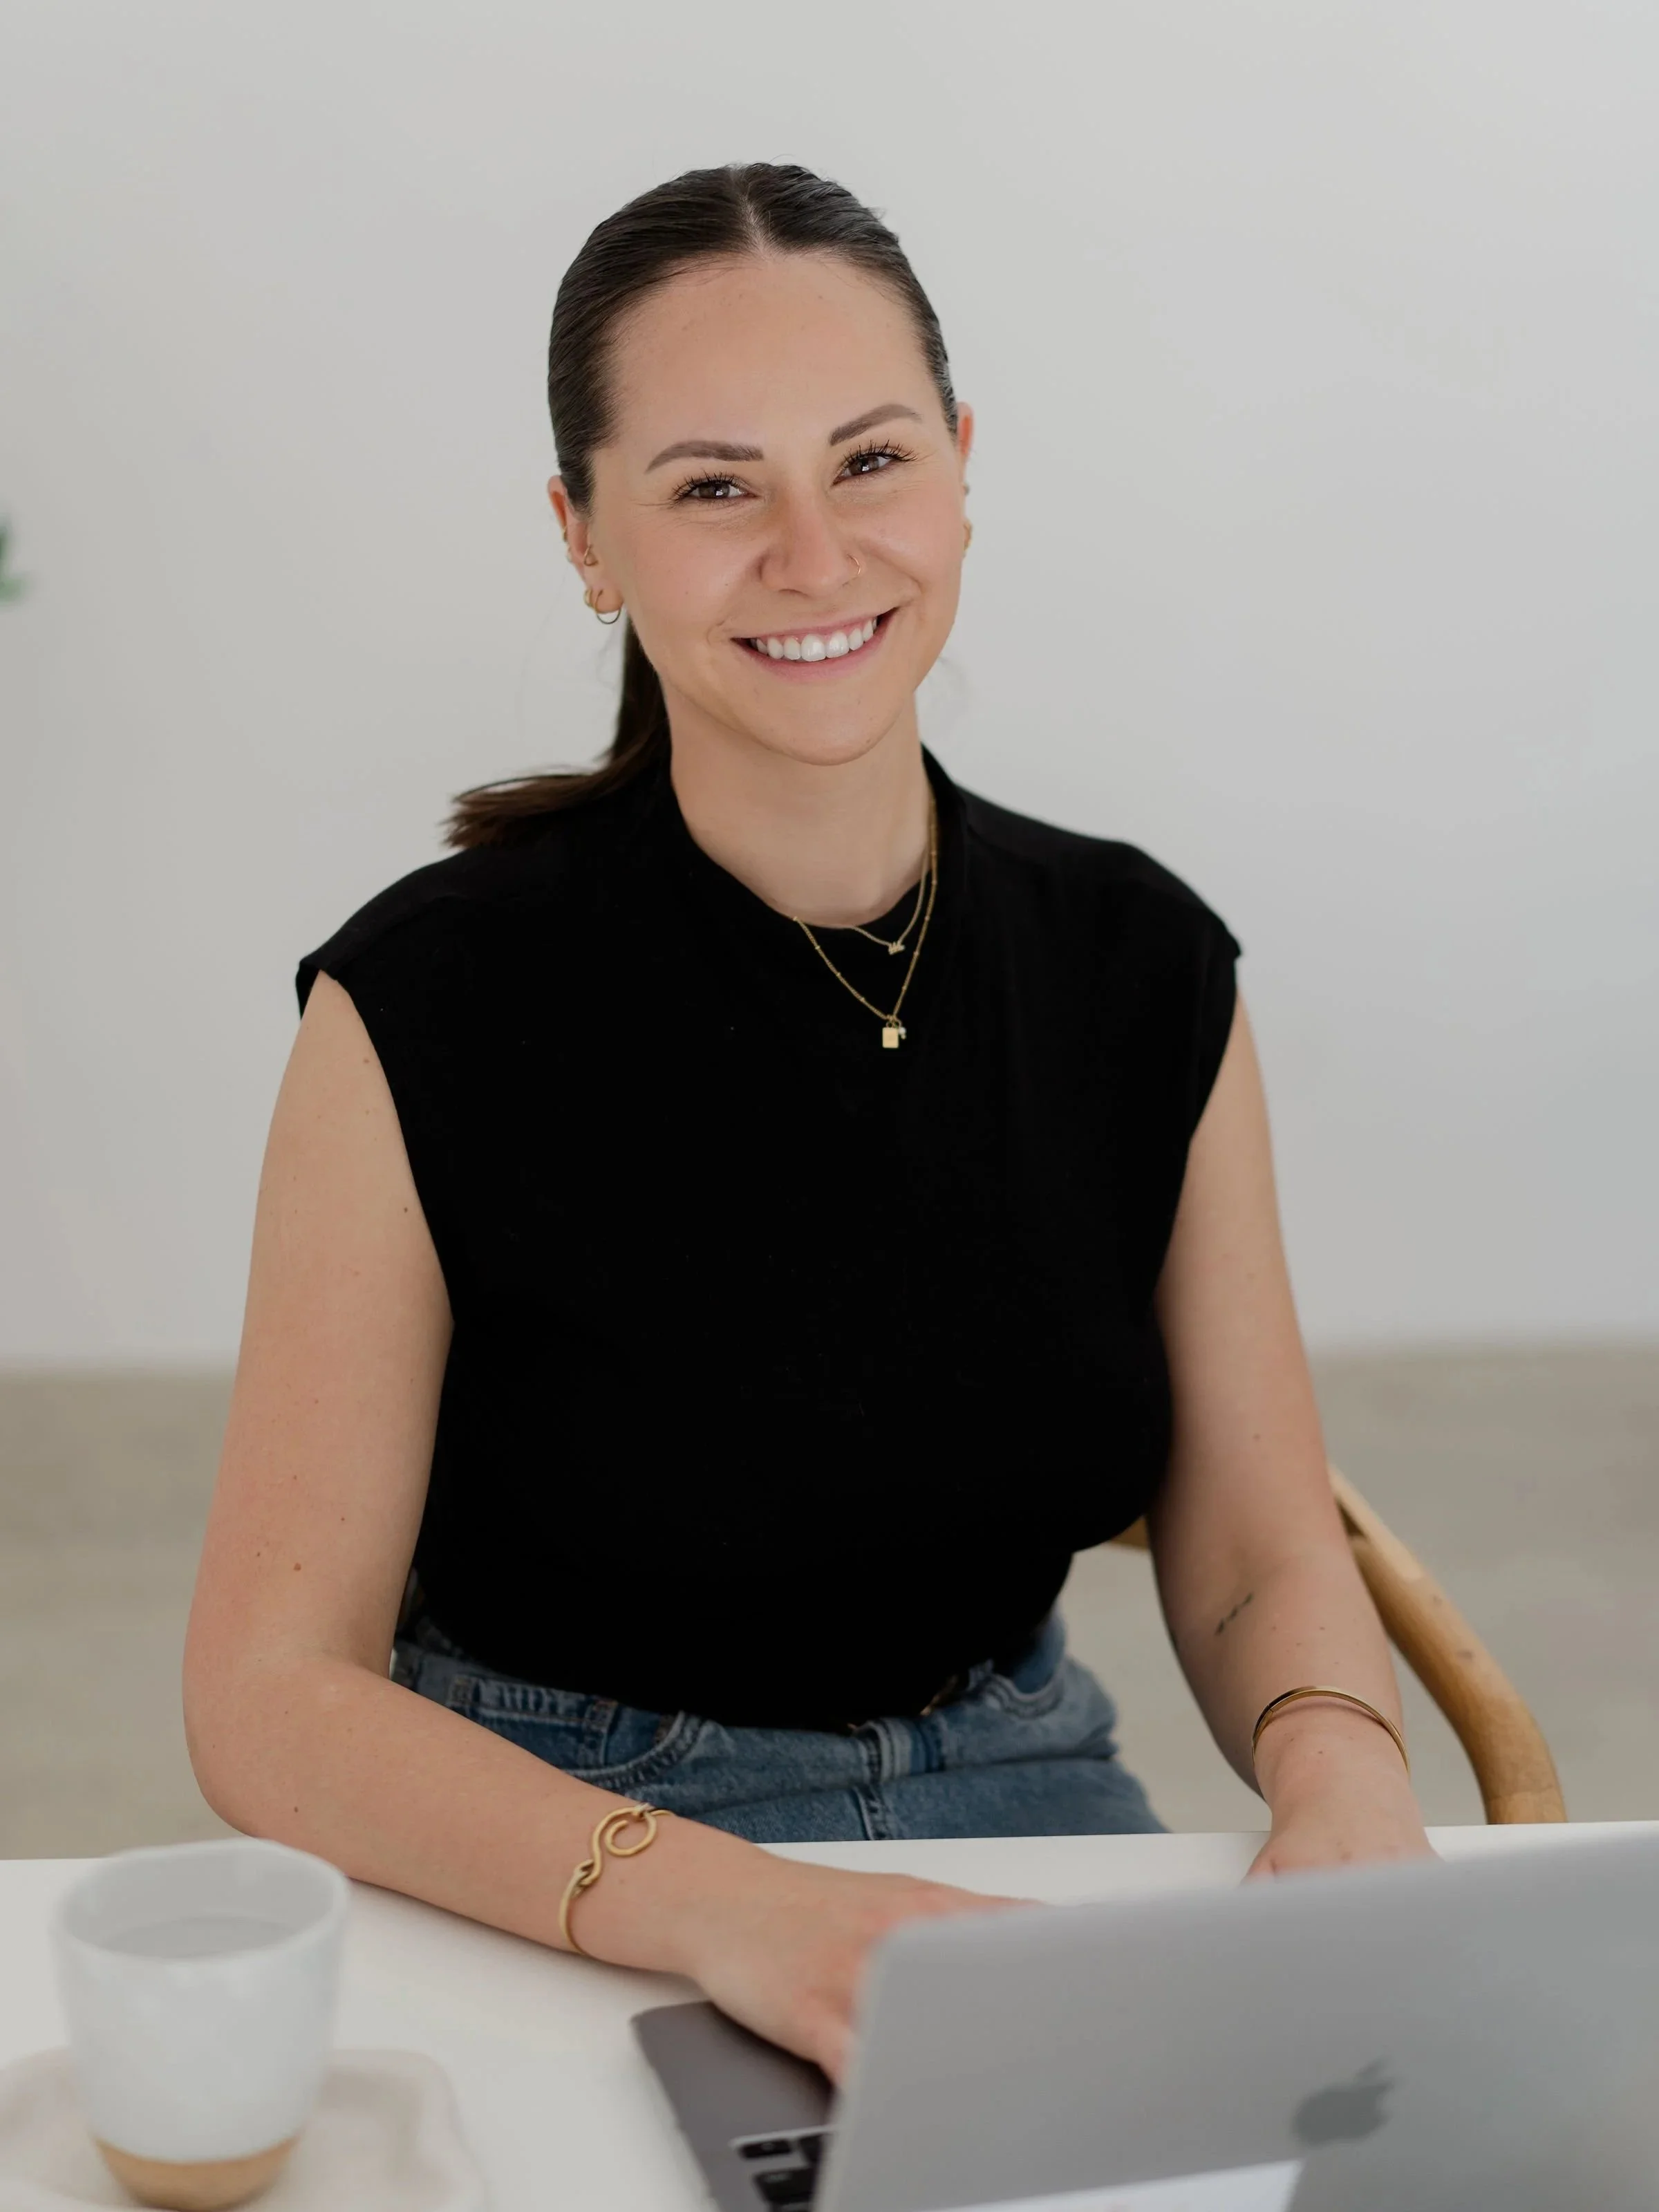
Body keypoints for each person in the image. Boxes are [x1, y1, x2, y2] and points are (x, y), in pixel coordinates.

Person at [185, 162, 1431, 2081]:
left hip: (1021, 1798)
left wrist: (1343, 1779)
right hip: (558, 1838)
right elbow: (268, 1695)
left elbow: (1262, 1544)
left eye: (869, 461)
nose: (815, 551)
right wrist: (736, 1908)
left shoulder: (1143, 961)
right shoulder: (417, 1006)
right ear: (584, 537)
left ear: (960, 470)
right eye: (713, 488)